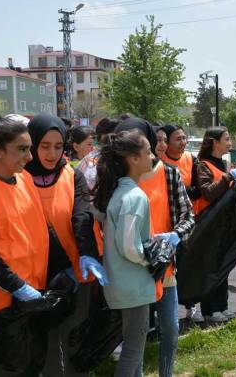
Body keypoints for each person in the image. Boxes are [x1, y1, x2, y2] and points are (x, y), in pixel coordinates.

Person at [0, 115, 62, 375]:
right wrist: (17, 286)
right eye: (22, 149)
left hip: (33, 297)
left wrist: (65, 266)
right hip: (1, 306)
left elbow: (42, 227)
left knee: (34, 365)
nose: (30, 157)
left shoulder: (25, 180)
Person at [24, 114, 106, 377]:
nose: (51, 153)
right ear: (32, 145)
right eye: (44, 146)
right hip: (32, 278)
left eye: (58, 146)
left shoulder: (72, 176)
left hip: (71, 273)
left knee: (71, 336)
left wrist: (87, 254)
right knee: (41, 346)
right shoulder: (19, 177)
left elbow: (81, 217)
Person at [116, 117, 195, 377]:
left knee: (170, 328)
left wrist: (175, 235)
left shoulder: (169, 174)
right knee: (136, 337)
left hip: (165, 267)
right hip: (135, 269)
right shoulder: (121, 179)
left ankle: (166, 373)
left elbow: (188, 216)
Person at [92, 130, 156, 377]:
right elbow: (129, 246)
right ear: (133, 159)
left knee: (134, 350)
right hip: (134, 286)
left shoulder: (118, 191)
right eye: (148, 151)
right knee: (133, 350)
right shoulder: (134, 196)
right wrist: (151, 256)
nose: (152, 156)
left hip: (121, 282)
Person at [194, 126, 236, 322]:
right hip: (208, 225)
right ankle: (209, 310)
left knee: (222, 267)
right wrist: (229, 177)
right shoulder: (202, 165)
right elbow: (208, 192)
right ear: (215, 142)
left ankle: (222, 306)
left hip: (223, 224)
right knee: (210, 268)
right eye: (227, 139)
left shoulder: (223, 164)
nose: (230, 143)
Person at [77, 117, 120, 190]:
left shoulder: (122, 158)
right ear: (101, 136)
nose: (113, 139)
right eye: (110, 135)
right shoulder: (90, 160)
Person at [161, 124, 201, 202]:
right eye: (178, 139)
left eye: (184, 138)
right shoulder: (160, 161)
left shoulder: (191, 159)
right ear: (167, 142)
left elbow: (198, 191)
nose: (183, 142)